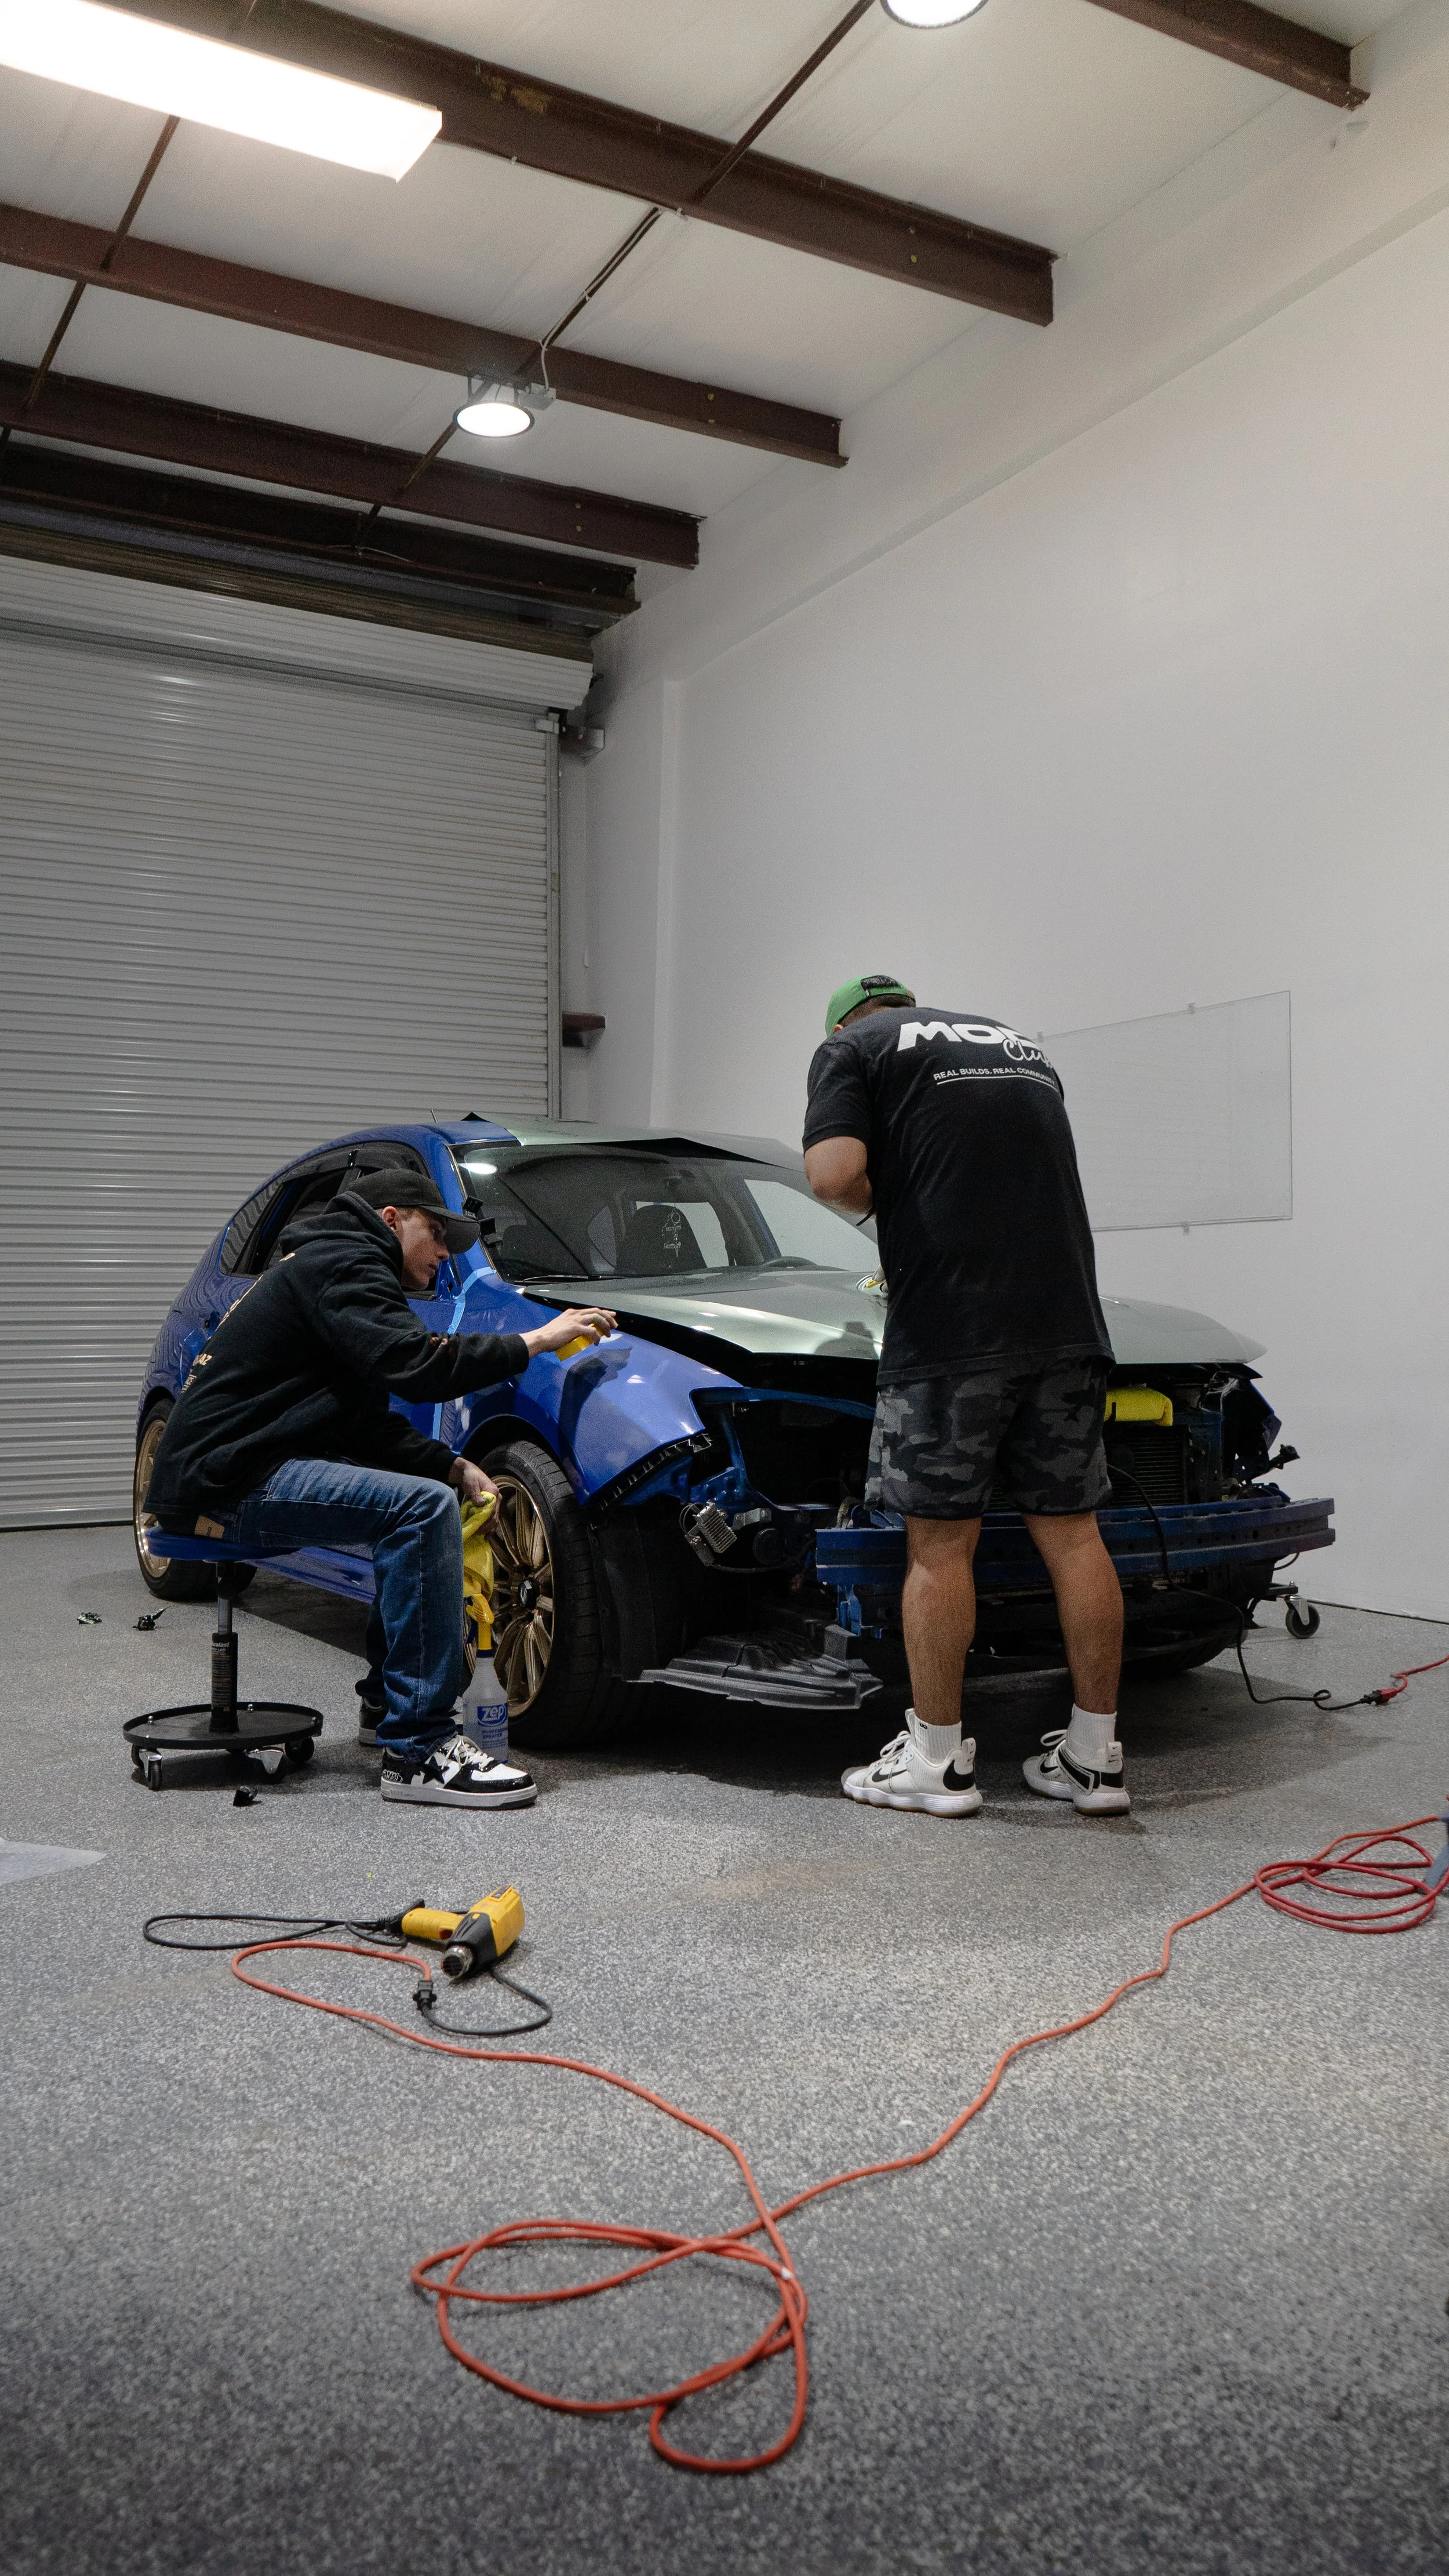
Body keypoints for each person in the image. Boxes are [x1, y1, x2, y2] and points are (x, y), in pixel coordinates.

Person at [143, 1168, 614, 1810]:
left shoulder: (332, 1268)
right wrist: (538, 1339)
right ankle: (418, 1750)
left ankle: (386, 1708)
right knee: (418, 1511)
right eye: (437, 1231)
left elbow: (360, 1423)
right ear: (391, 1219)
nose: (446, 1251)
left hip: (236, 1469)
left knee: (422, 1495)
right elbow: (418, 1366)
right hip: (223, 1482)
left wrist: (450, 1465)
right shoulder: (344, 1260)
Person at [803, 975, 1128, 1818]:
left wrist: (887, 1195)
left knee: (940, 1547)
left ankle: (937, 1761)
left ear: (844, 1021)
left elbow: (833, 1174)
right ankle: (1095, 1758)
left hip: (953, 1333)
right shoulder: (1016, 1043)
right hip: (1069, 1324)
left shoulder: (853, 1047)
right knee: (1076, 1535)